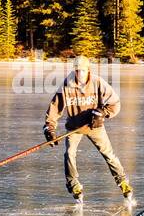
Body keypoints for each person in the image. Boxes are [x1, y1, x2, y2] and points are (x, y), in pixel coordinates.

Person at [45, 55, 133, 206]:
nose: (80, 74)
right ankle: (75, 187)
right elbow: (55, 108)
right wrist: (50, 127)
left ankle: (123, 183)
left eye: (83, 71)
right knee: (69, 154)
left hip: (94, 127)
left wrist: (102, 113)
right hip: (74, 128)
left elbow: (115, 103)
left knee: (109, 155)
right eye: (77, 71)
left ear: (88, 70)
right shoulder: (66, 85)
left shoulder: (97, 82)